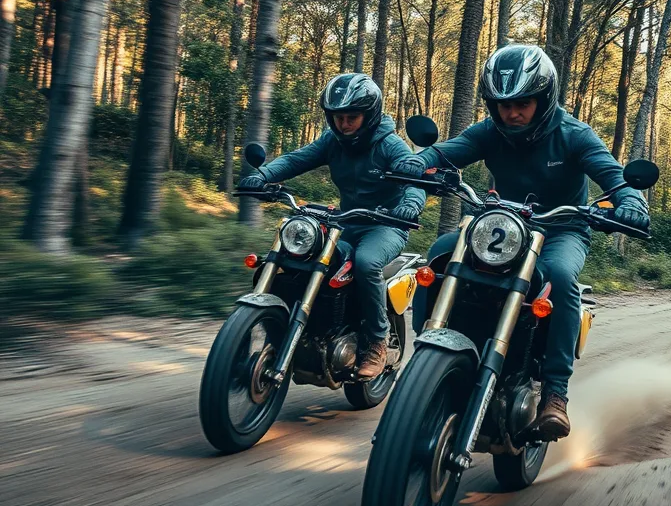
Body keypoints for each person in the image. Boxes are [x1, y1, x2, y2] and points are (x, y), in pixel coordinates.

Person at [396, 44, 650, 440]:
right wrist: (420, 160)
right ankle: (426, 356)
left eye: (523, 103)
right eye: (502, 105)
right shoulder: (489, 131)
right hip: (501, 226)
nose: (511, 113)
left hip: (560, 231)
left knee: (561, 278)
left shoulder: (574, 135)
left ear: (544, 99)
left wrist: (630, 198)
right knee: (440, 253)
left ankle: (554, 395)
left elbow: (611, 174)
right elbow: (450, 152)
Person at [238, 73, 425, 379]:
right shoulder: (332, 141)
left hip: (387, 225)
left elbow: (415, 177)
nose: (344, 124)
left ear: (370, 114)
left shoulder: (389, 144)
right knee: (299, 258)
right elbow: (296, 159)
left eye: (352, 117)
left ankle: (377, 342)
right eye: (337, 117)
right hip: (345, 222)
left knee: (365, 263)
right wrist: (264, 176)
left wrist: (409, 205)